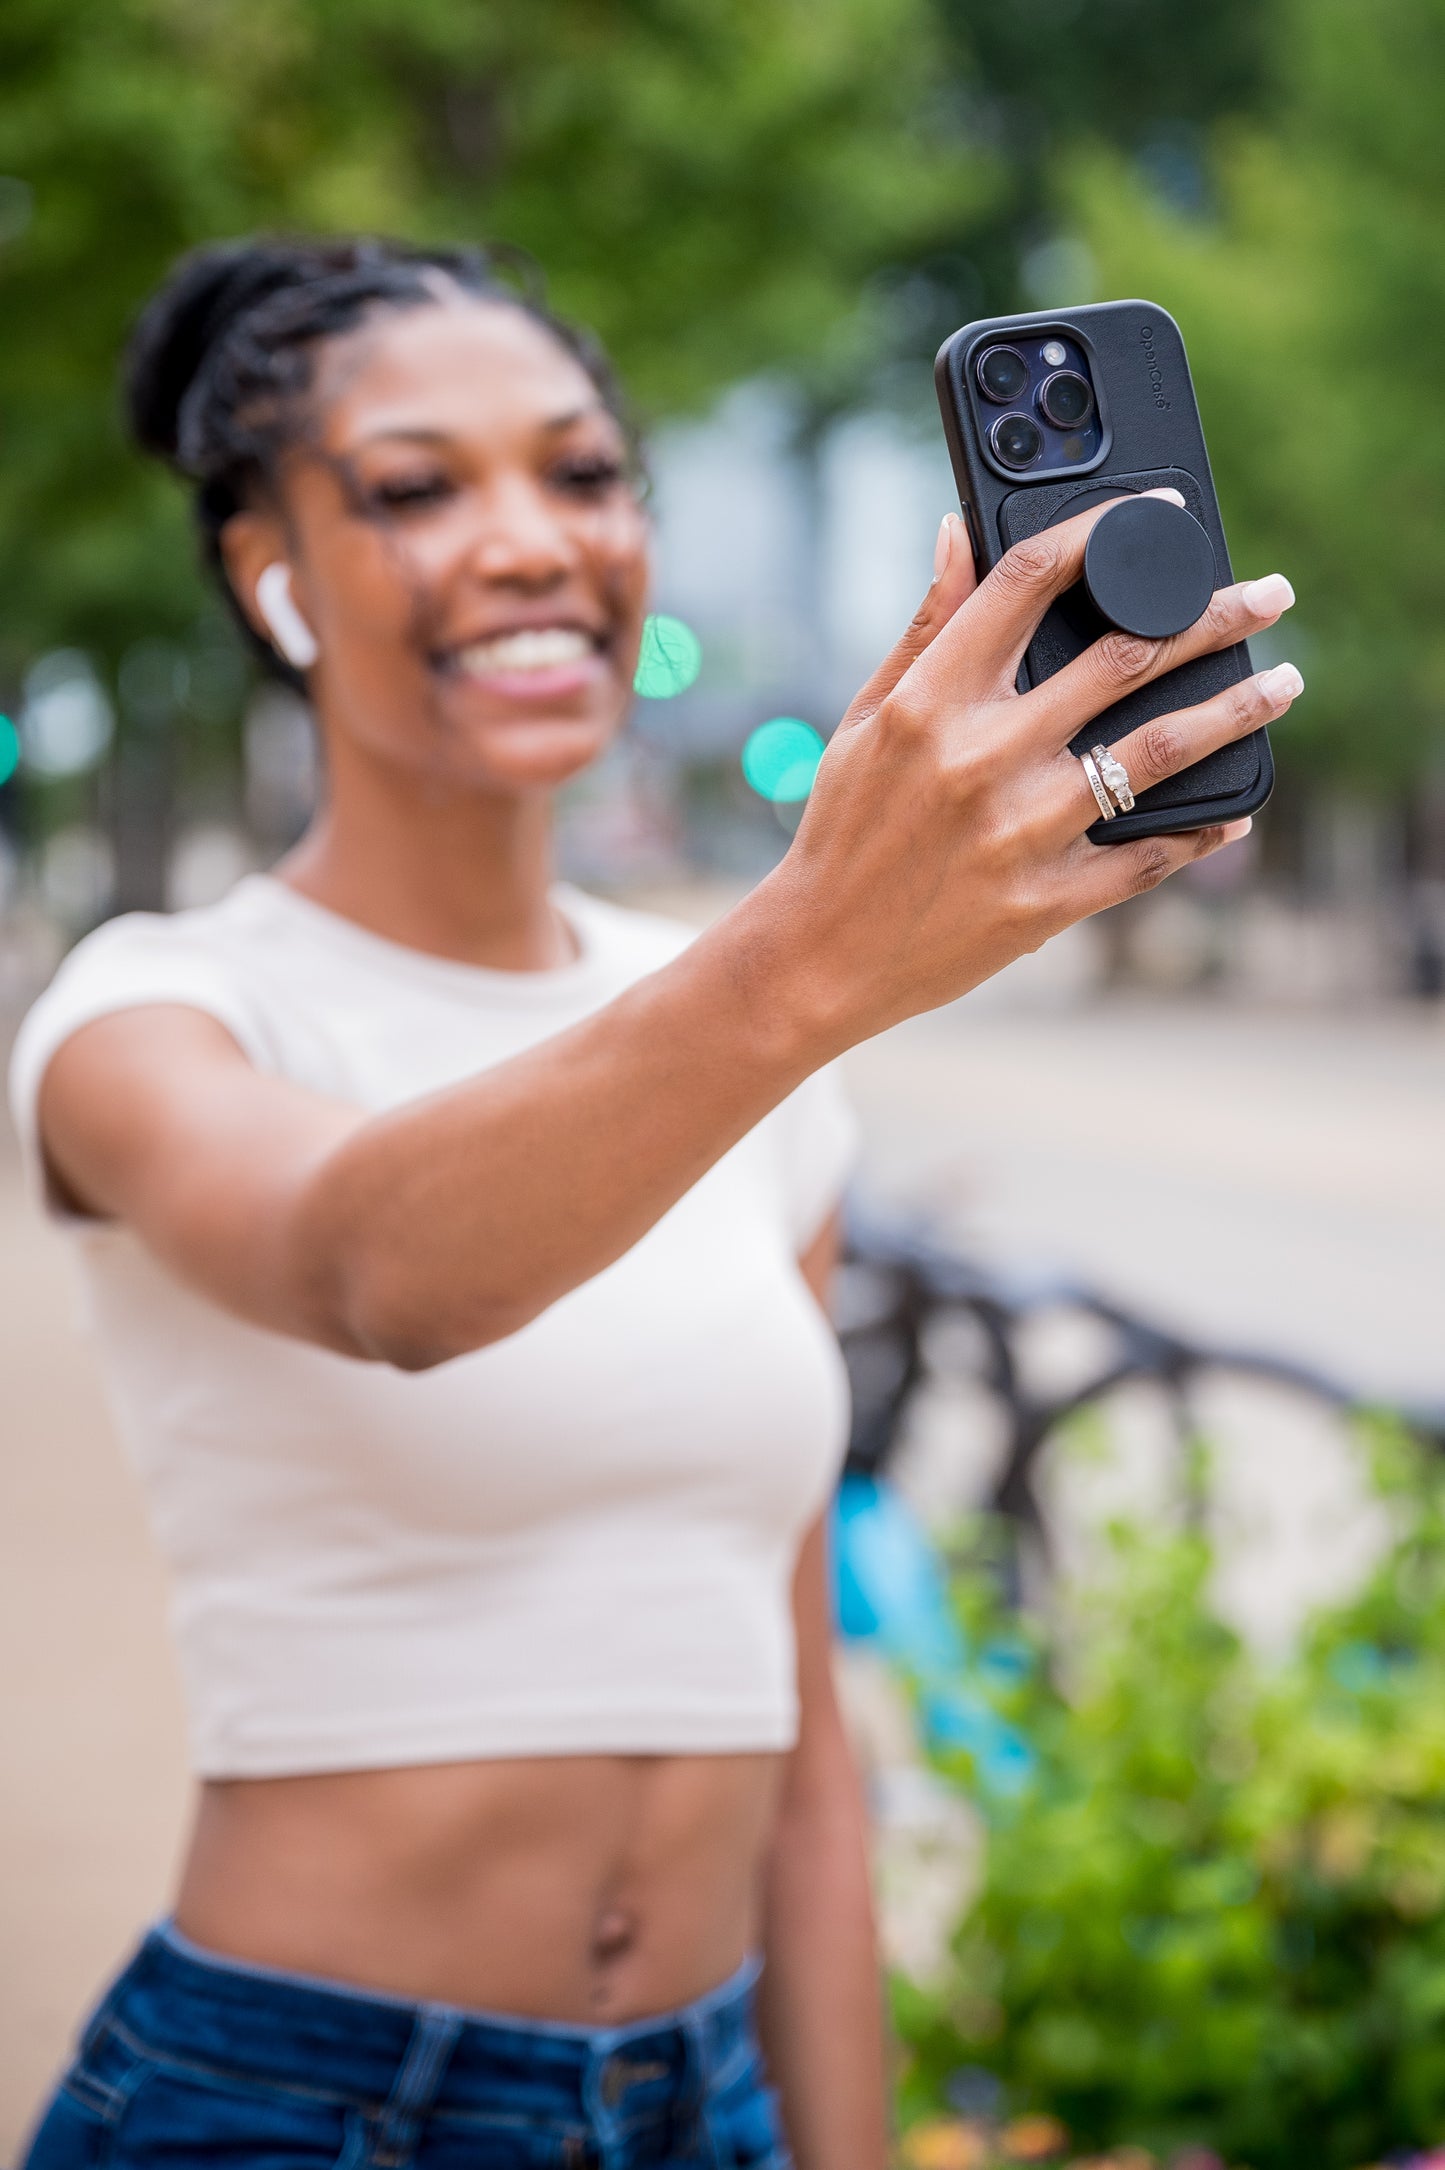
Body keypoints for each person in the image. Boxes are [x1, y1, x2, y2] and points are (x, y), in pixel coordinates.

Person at [11, 237, 1299, 2170]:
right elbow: (377, 1268)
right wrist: (815, 945)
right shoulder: (154, 1011)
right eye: (414, 488)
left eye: (584, 473)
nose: (532, 541)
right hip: (294, 2100)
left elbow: (798, 1753)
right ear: (269, 572)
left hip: (708, 2102)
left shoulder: (739, 1035)